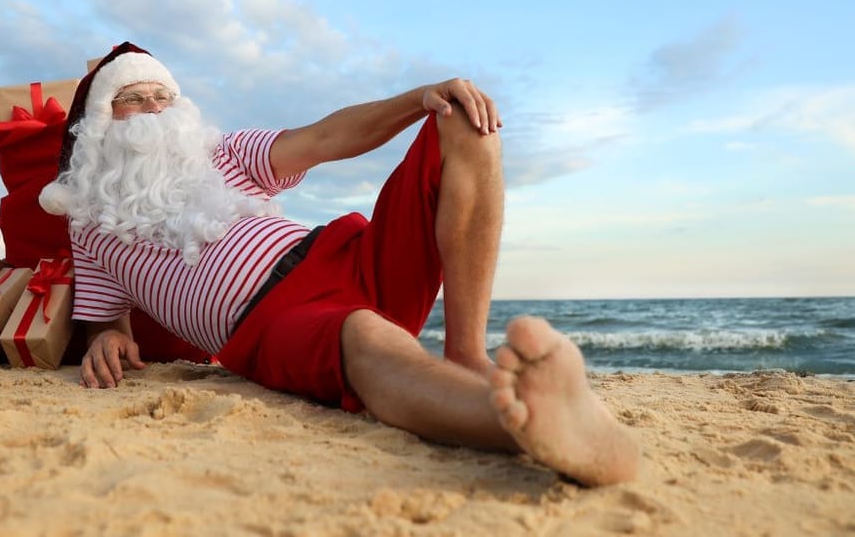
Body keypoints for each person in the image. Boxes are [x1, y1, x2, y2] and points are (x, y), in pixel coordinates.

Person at [40, 41, 638, 486]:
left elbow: (327, 138)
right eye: (130, 98)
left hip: (344, 255)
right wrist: (106, 339)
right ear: (97, 124)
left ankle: (467, 354)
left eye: (160, 96)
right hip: (271, 322)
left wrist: (418, 99)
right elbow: (106, 320)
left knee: (463, 122)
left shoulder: (219, 153)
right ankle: (528, 421)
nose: (151, 108)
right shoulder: (88, 222)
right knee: (365, 333)